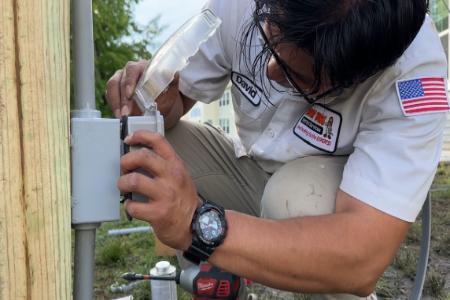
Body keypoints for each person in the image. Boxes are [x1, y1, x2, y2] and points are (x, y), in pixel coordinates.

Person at [106, 0, 448, 298]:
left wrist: (195, 223)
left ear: (363, 74)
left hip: (322, 203)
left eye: (298, 74)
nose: (270, 71)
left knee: (293, 198)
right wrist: (156, 103)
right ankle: (221, 284)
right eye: (270, 36)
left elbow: (362, 257)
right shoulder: (243, 4)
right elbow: (180, 97)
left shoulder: (413, 77)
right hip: (246, 167)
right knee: (155, 152)